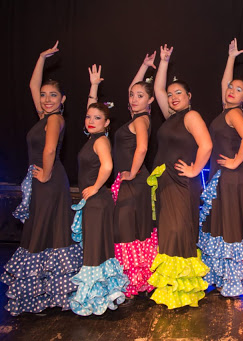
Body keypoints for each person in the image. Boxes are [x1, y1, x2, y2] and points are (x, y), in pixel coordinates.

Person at [1, 41, 81, 316]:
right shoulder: (44, 115)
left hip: (48, 180)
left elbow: (49, 149)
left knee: (43, 231)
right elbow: (32, 86)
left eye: (53, 95)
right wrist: (40, 58)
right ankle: (41, 295)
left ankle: (46, 294)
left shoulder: (54, 119)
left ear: (63, 100)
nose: (47, 99)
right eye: (45, 95)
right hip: (40, 179)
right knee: (43, 230)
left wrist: (45, 174)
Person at [147, 44, 212, 309]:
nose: (173, 97)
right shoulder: (169, 116)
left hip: (182, 183)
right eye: (172, 94)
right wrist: (164, 62)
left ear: (189, 96)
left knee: (178, 231)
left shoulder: (191, 115)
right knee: (167, 231)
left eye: (179, 94)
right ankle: (170, 289)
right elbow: (158, 90)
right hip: (165, 183)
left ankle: (183, 291)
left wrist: (196, 169)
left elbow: (206, 145)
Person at [197, 38, 243, 297]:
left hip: (232, 177)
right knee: (222, 226)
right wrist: (230, 57)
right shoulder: (226, 110)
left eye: (238, 89)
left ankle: (235, 282)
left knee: (231, 228)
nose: (231, 90)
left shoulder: (234, 114)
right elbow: (224, 83)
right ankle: (223, 279)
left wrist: (235, 161)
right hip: (224, 177)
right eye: (231, 87)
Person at [101, 53, 157, 299]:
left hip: (133, 183)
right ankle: (135, 281)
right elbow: (130, 89)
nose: (134, 99)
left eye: (140, 96)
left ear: (150, 100)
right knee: (132, 230)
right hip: (132, 184)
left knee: (127, 232)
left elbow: (142, 148)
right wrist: (143, 66)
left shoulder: (142, 120)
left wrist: (132, 172)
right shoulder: (137, 116)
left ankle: (133, 282)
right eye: (132, 95)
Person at [69, 95, 128, 316]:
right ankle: (101, 296)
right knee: (98, 250)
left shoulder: (101, 140)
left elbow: (108, 165)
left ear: (107, 123)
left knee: (94, 252)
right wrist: (93, 87)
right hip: (95, 203)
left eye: (97, 118)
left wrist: (94, 187)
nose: (91, 120)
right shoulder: (93, 138)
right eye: (88, 116)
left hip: (97, 201)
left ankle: (92, 300)